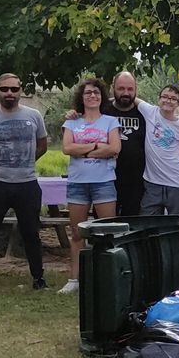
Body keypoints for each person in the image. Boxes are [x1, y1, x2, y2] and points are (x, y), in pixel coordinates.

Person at [0, 72, 51, 295]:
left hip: (27, 183)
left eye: (14, 89)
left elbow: (42, 145)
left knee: (31, 232)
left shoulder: (34, 115)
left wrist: (25, 162)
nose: (9, 93)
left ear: (20, 90)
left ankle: (38, 278)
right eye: (5, 89)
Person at [59, 77, 123, 294]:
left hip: (104, 182)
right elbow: (67, 148)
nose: (92, 96)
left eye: (96, 92)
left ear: (102, 97)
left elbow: (114, 148)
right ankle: (75, 279)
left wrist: (84, 149)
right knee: (77, 232)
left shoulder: (110, 121)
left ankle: (107, 278)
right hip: (78, 183)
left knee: (107, 232)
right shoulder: (71, 123)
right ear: (82, 97)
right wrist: (97, 146)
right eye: (88, 92)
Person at [141, 84, 179, 218]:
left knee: (178, 224)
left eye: (173, 98)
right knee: (148, 224)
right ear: (159, 99)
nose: (168, 101)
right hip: (152, 183)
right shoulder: (149, 111)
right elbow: (132, 98)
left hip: (177, 182)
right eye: (165, 97)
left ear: (178, 103)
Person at [101, 72, 148, 219]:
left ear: (136, 90)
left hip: (136, 182)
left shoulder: (144, 113)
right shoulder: (102, 110)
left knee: (132, 225)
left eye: (130, 89)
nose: (126, 93)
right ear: (112, 89)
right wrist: (74, 114)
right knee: (105, 225)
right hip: (105, 180)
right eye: (121, 88)